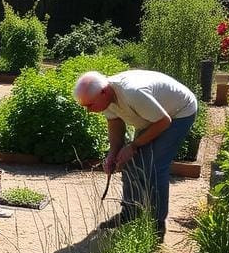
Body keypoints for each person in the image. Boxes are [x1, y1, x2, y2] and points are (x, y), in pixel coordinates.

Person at [73, 69, 197, 235]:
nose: (88, 110)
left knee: (154, 166)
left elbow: (163, 122)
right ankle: (130, 213)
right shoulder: (103, 97)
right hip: (152, 117)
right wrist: (113, 154)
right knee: (128, 162)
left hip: (178, 113)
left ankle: (156, 225)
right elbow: (115, 124)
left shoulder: (133, 92)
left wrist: (133, 146)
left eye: (90, 105)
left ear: (104, 92)